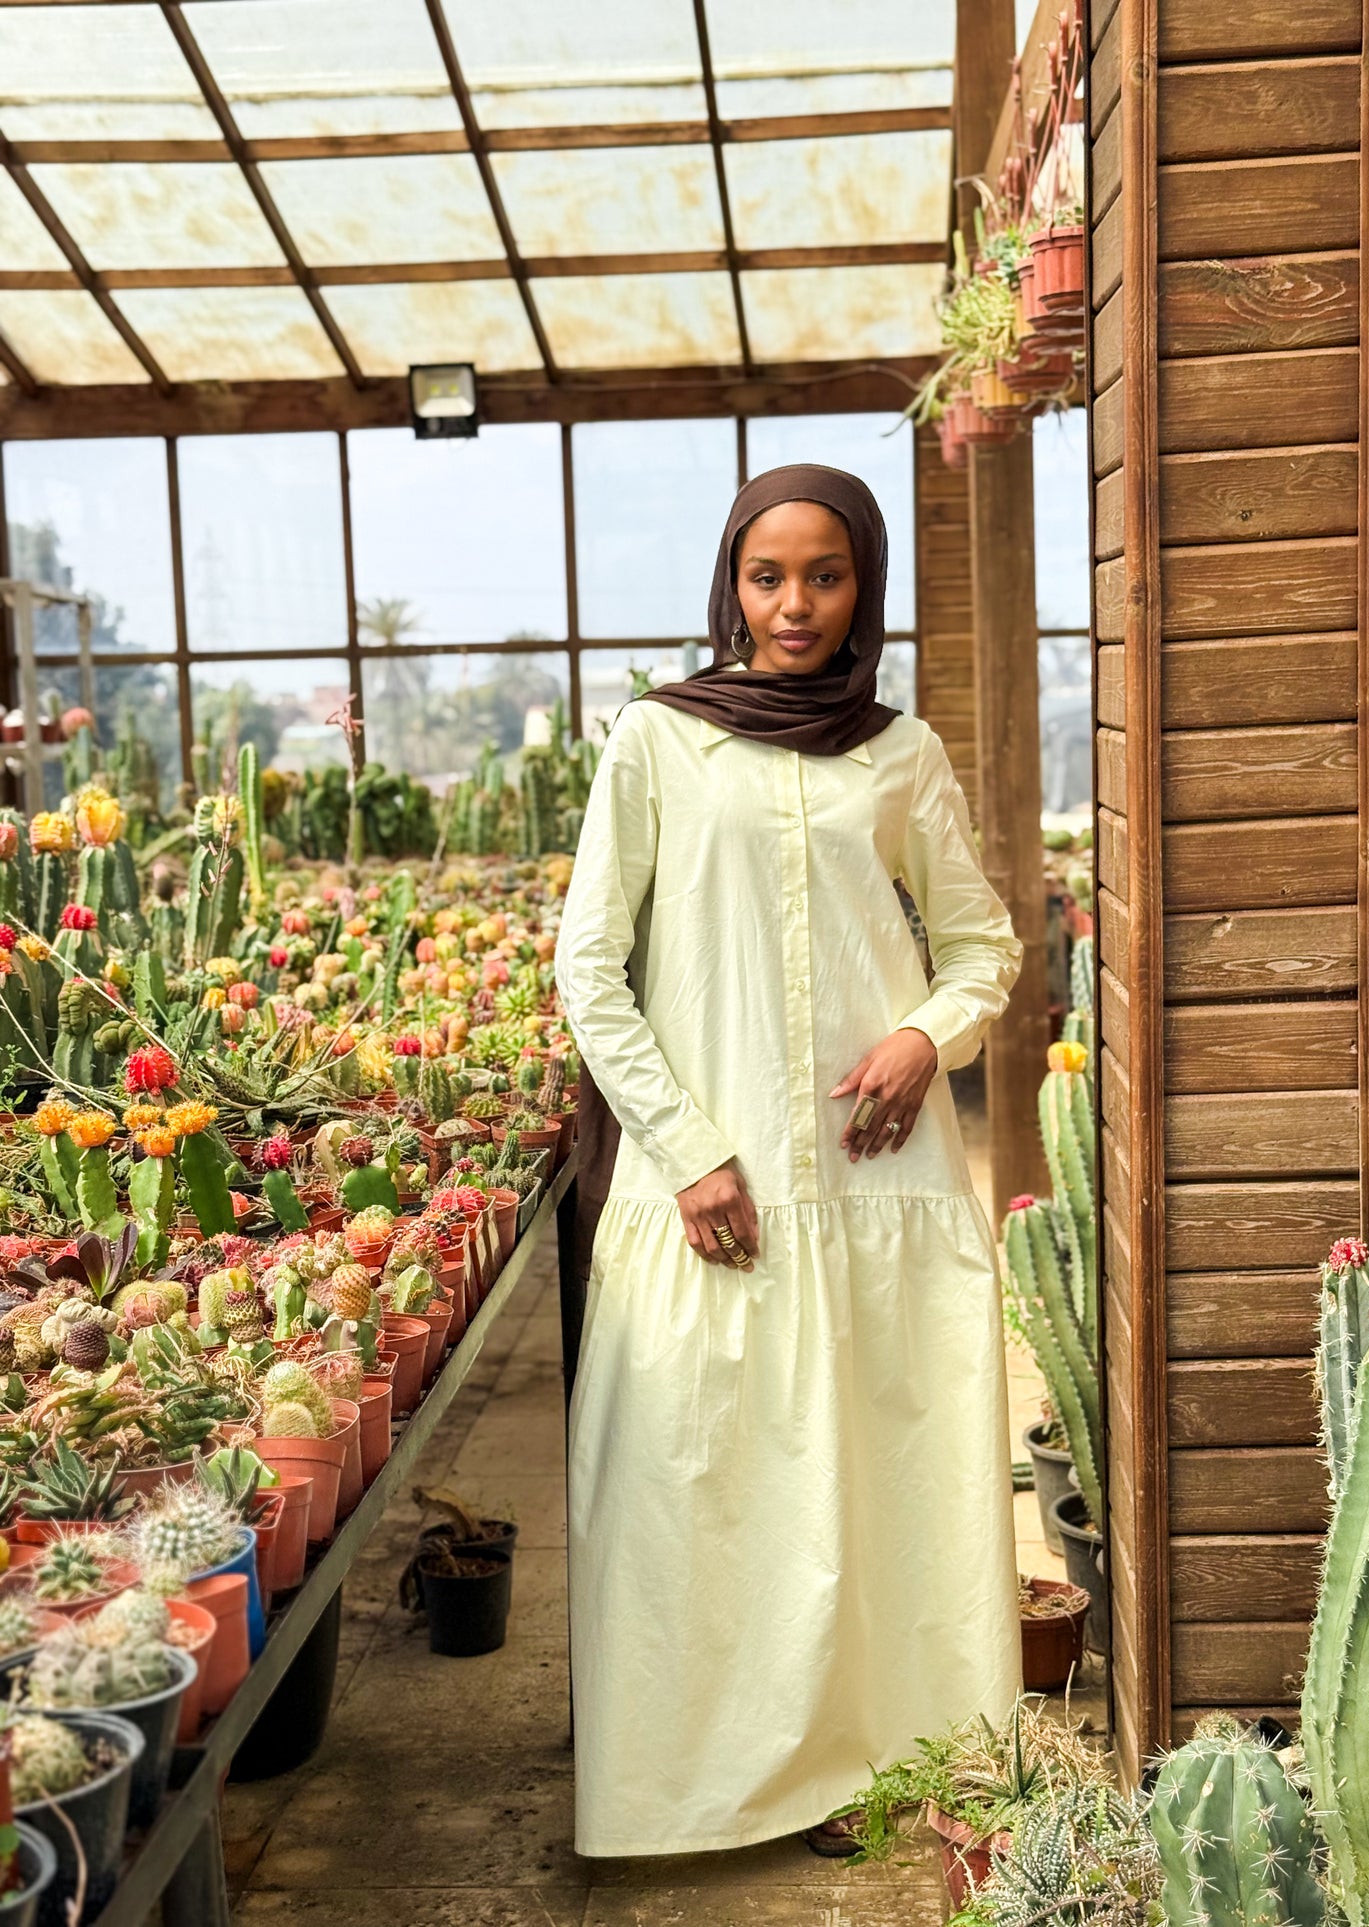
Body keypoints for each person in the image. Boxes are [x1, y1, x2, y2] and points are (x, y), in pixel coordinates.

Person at [555, 463, 1023, 1859]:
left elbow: (984, 946)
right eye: (769, 577)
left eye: (825, 576)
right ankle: (694, 1785)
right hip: (713, 1190)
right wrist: (690, 1152)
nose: (795, 605)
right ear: (731, 584)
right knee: (699, 1482)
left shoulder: (901, 754)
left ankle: (869, 1767)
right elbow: (590, 965)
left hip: (875, 1179)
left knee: (877, 1482)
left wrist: (923, 1038)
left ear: (862, 585)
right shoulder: (656, 742)